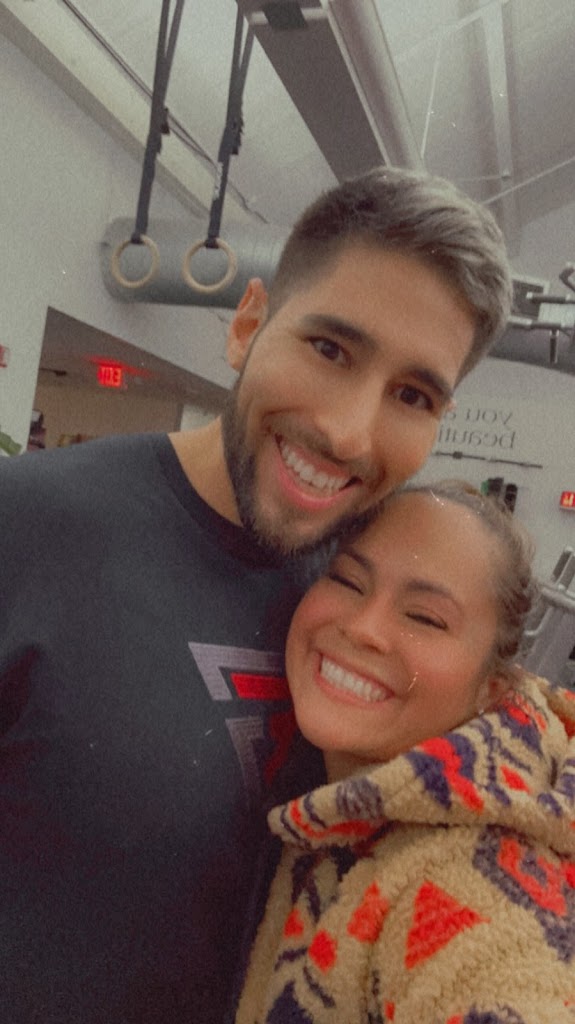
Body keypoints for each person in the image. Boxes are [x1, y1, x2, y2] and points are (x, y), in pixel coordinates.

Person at [0, 168, 512, 1024]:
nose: (348, 433)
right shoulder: (25, 528)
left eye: (411, 394)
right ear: (246, 326)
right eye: (329, 349)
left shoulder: (355, 602)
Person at [236, 481, 575, 1024]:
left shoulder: (469, 885)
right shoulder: (333, 792)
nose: (362, 627)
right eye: (348, 580)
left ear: (493, 687)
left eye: (425, 618)